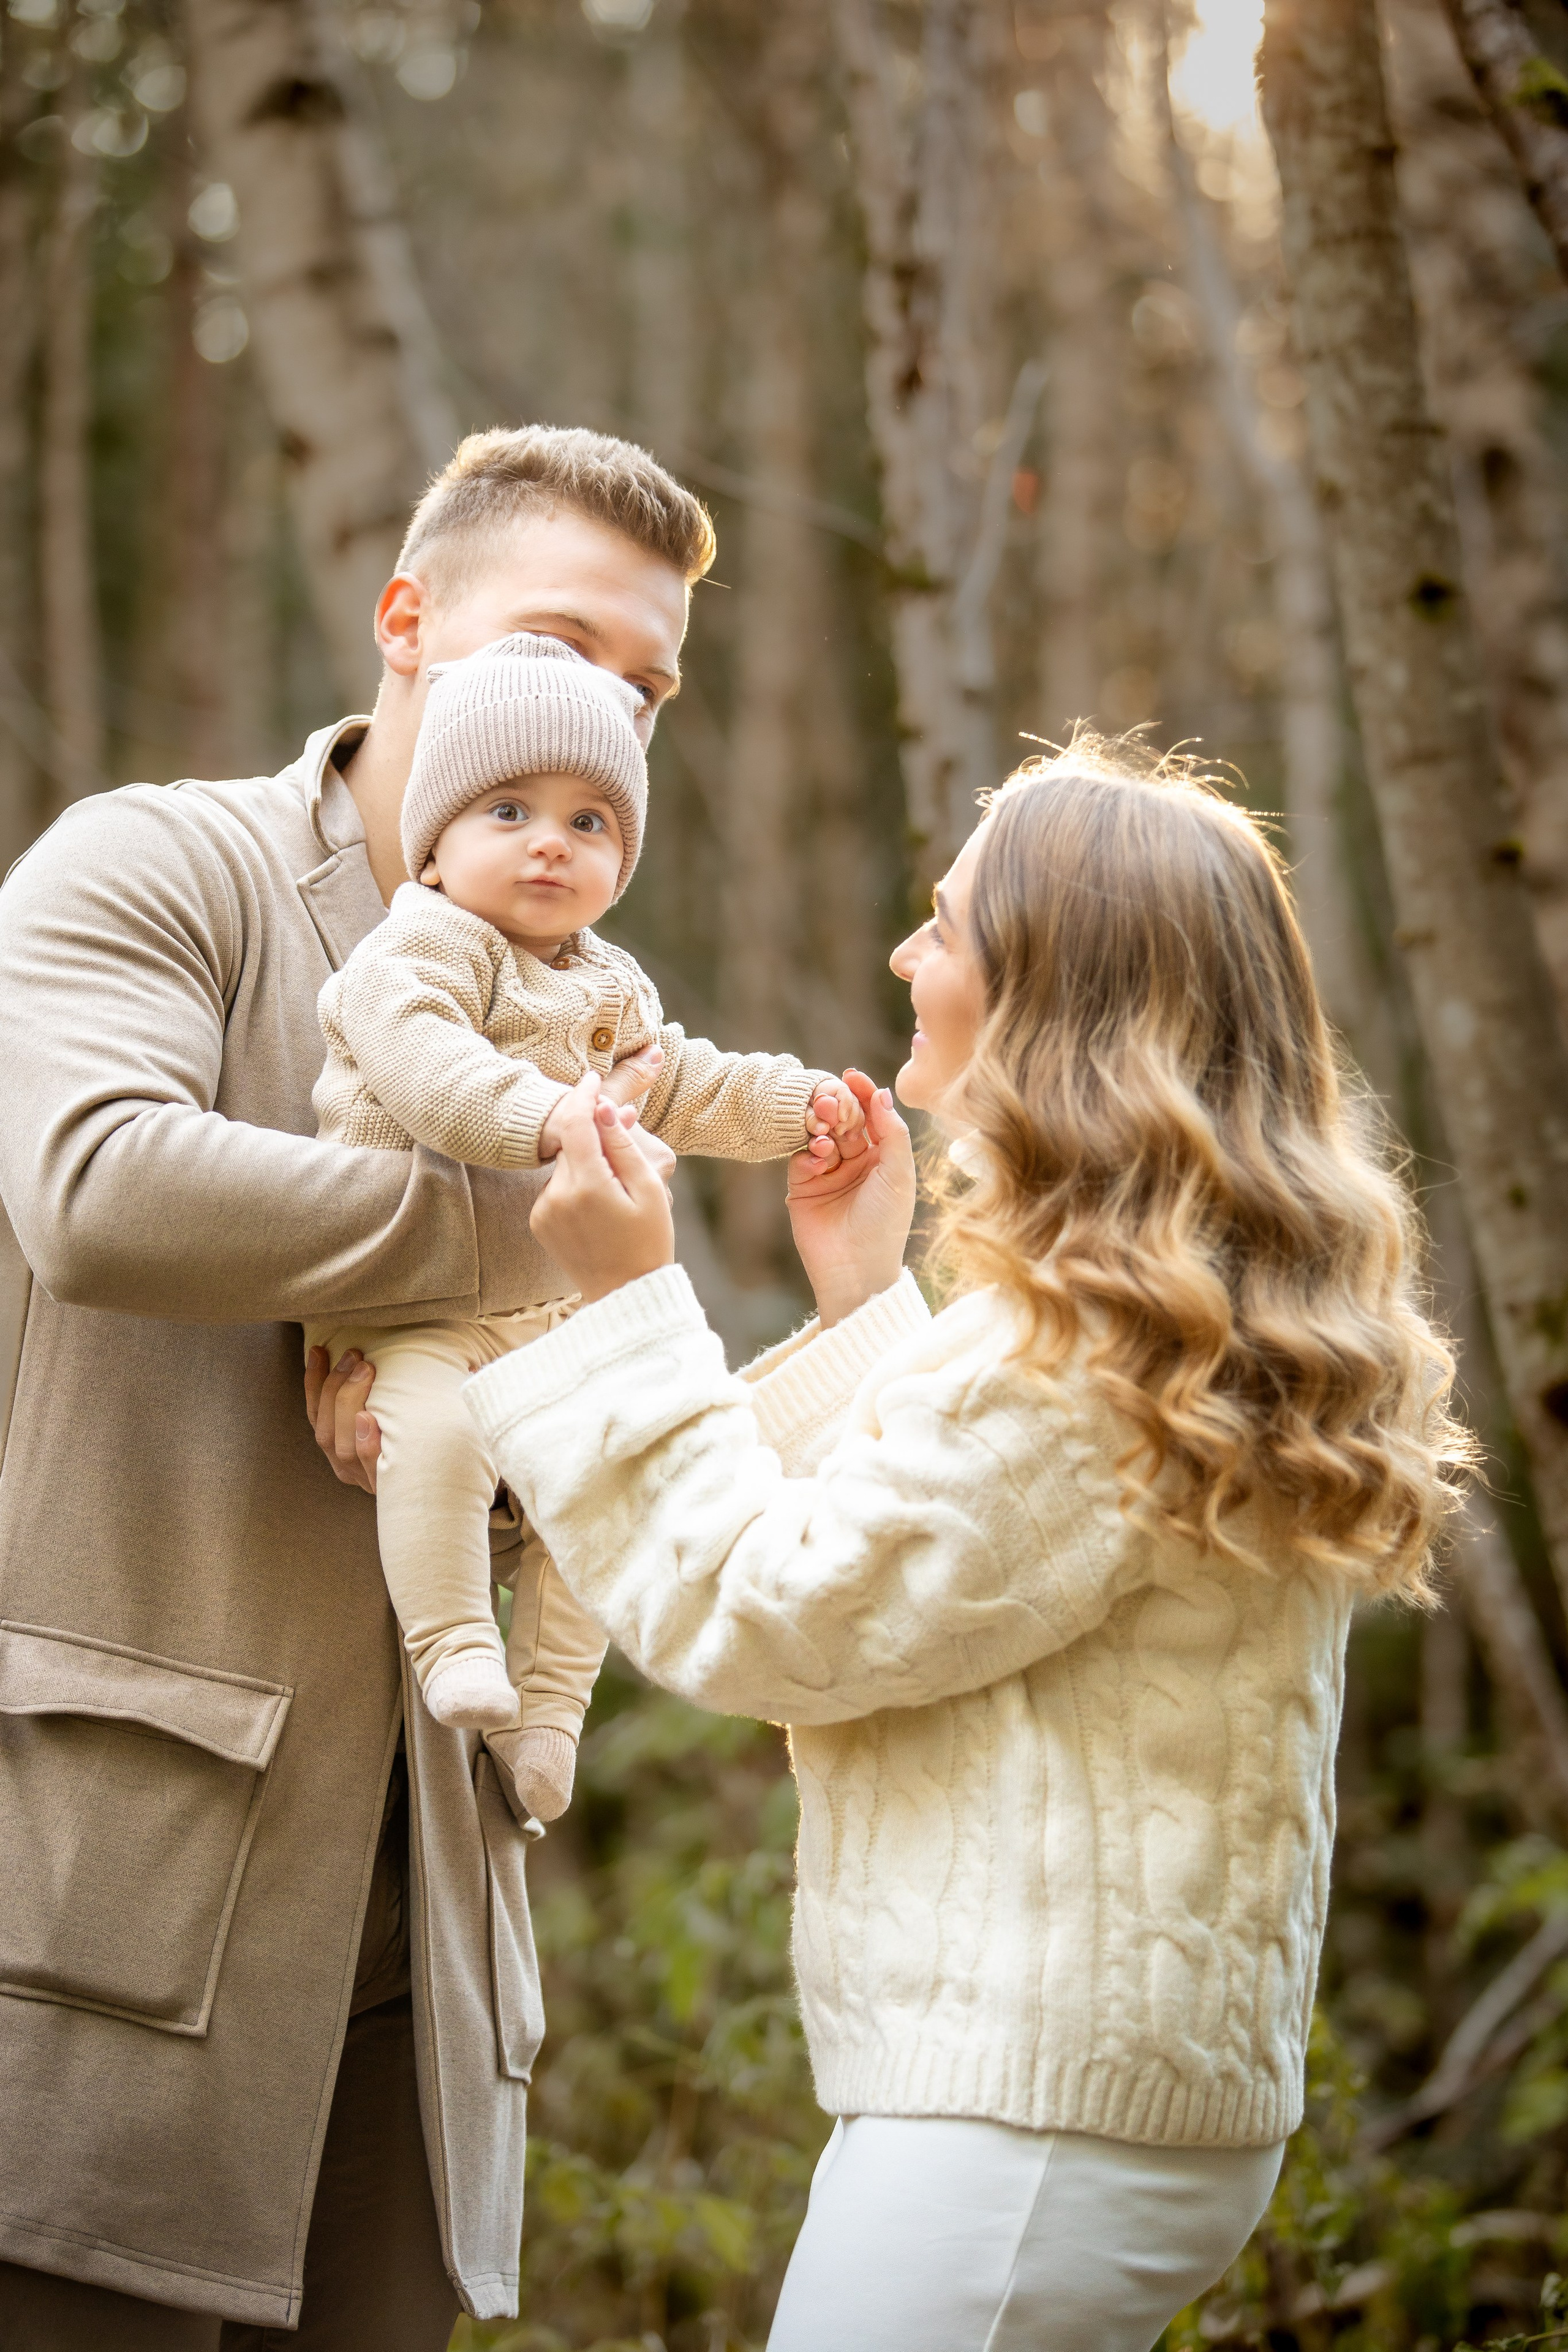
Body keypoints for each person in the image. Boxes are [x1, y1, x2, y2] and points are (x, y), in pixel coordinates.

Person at [444, 744, 1472, 2351]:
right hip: (1095, 2117)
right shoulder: (1151, 1322)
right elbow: (974, 1566)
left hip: (1022, 2136)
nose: (905, 960)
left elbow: (775, 1617)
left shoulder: (1085, 1347)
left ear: (1055, 995)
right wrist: (871, 1309)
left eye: (943, 927)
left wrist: (627, 1300)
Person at [0, 425, 712, 2349]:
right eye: (559, 638)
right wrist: (509, 1242)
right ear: (407, 620)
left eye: (645, 688)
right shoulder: (158, 864)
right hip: (114, 1915)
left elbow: (617, 1393)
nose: (606, 707)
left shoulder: (597, 987)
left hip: (432, 1943)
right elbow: (94, 1186)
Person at [309, 627, 863, 1800]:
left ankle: (552, 1712)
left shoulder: (606, 984)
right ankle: (453, 1640)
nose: (549, 841)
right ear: (438, 845)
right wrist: (557, 1118)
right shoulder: (416, 951)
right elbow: (428, 1071)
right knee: (436, 1438)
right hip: (412, 1301)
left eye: (588, 822)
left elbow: (683, 1082)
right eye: (507, 810)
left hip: (545, 1308)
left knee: (594, 1485)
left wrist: (796, 1107)